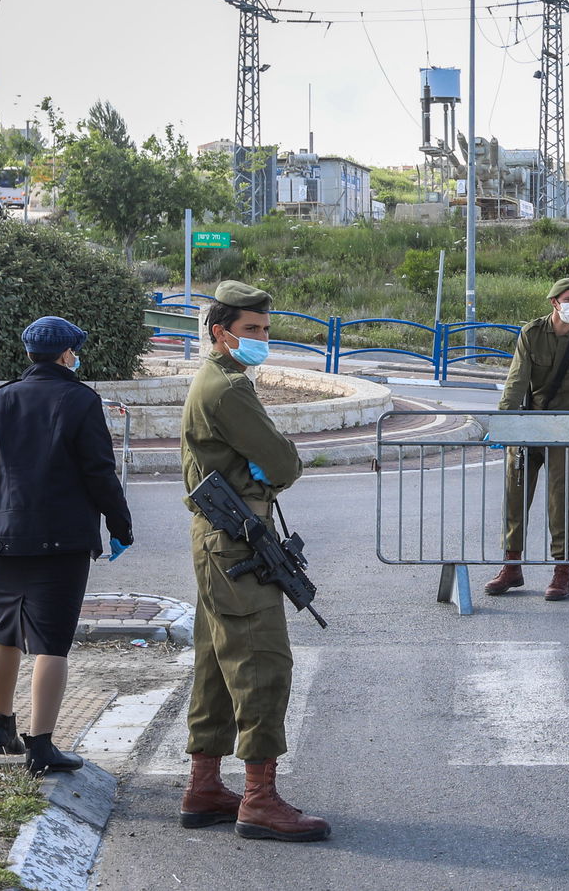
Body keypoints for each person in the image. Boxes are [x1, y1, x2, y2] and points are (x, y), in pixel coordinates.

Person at [179, 279, 329, 843]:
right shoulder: (229, 389)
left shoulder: (216, 379)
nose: (263, 338)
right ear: (222, 333)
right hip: (238, 540)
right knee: (262, 663)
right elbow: (284, 462)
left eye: (266, 329)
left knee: (217, 662)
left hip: (221, 538)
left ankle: (204, 787)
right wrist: (277, 463)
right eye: (251, 329)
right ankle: (260, 799)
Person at [0, 315, 134, 776]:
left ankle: (2, 729)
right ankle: (42, 746)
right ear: (67, 354)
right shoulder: (81, 400)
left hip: (1, 536)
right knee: (52, 642)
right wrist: (120, 525)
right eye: (75, 351)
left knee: (5, 631)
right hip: (62, 538)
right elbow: (99, 472)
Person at [485, 278, 569, 602]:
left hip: (567, 430)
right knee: (515, 498)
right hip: (529, 426)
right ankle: (511, 566)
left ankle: (562, 571)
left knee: (561, 501)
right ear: (554, 302)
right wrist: (504, 424)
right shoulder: (531, 334)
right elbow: (516, 381)